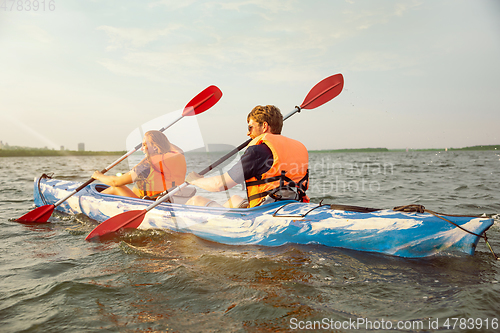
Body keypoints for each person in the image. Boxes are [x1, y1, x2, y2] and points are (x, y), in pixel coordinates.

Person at [185, 105, 309, 208]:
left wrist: (195, 180)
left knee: (195, 201)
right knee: (234, 199)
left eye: (250, 127)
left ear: (264, 126)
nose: (248, 133)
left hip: (264, 212)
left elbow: (220, 184)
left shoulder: (258, 150)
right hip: (293, 205)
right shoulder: (296, 148)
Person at [92, 130, 187, 199]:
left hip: (153, 204)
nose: (142, 148)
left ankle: (93, 201)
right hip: (172, 201)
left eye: (145, 145)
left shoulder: (148, 164)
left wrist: (98, 176)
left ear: (155, 147)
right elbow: (173, 147)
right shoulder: (177, 155)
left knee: (116, 188)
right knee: (138, 186)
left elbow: (115, 182)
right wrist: (159, 138)